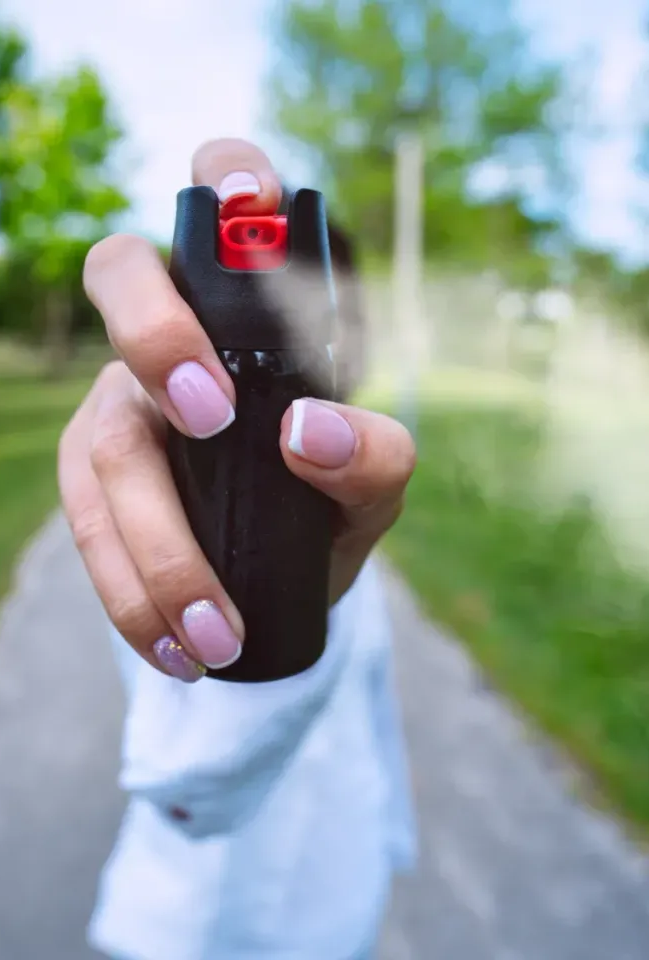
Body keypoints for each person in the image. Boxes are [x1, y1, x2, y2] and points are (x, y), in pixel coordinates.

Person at [56, 138, 418, 960]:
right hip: (190, 934)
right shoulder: (165, 497)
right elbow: (196, 767)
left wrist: (392, 835)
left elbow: (372, 720)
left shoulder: (343, 495)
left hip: (344, 916)